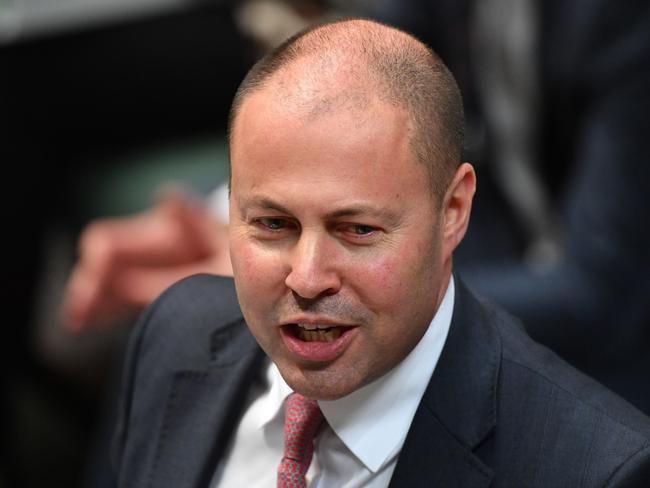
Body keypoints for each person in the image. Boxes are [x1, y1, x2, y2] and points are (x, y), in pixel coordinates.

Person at [112, 18, 650, 487]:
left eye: (357, 231)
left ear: (454, 210)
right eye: (274, 224)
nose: (307, 276)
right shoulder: (173, 337)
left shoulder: (595, 470)